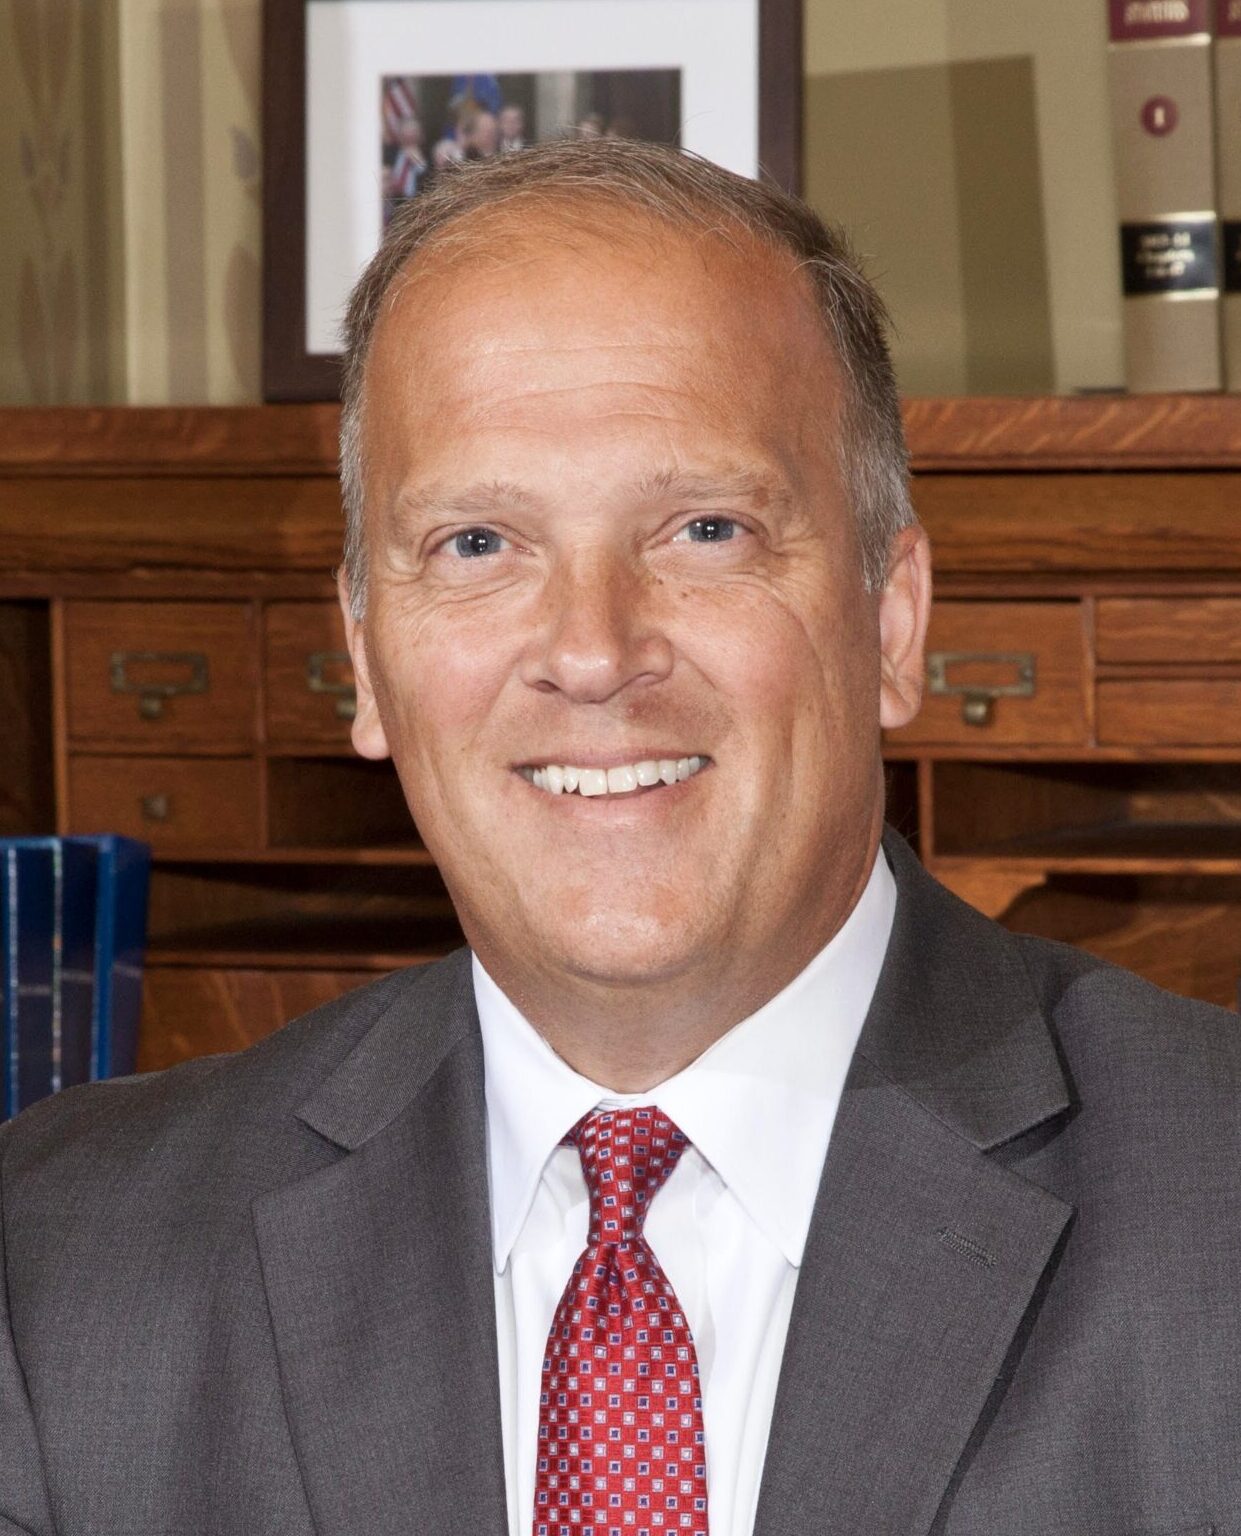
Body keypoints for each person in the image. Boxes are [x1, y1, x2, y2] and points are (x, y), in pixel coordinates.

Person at [2, 139, 1240, 1536]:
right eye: (478, 544)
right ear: (365, 655)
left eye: (705, 529)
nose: (592, 652)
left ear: (890, 620)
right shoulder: (61, 1265)